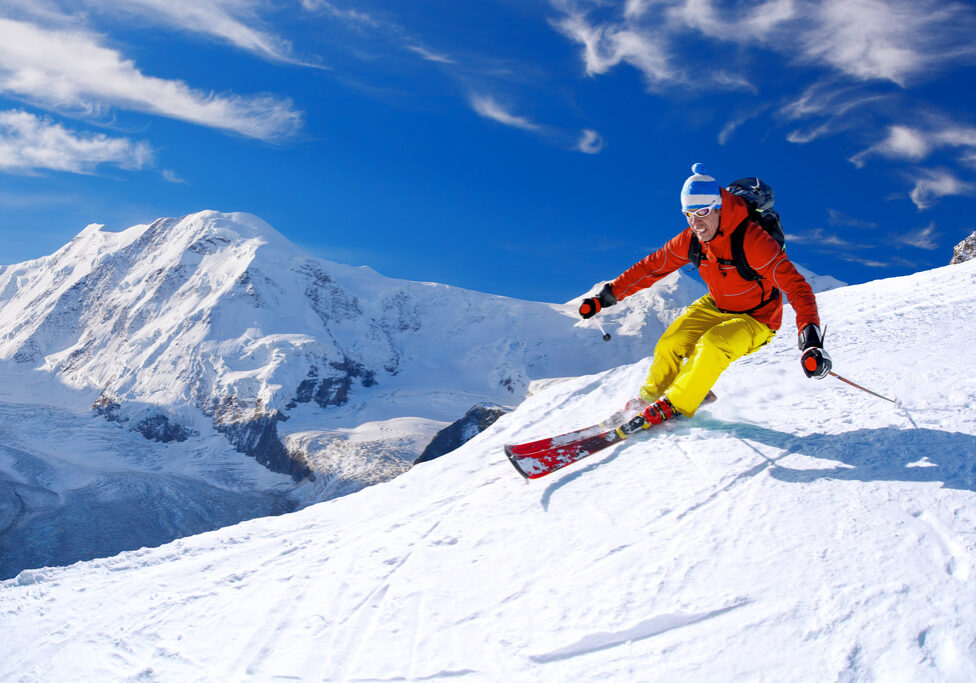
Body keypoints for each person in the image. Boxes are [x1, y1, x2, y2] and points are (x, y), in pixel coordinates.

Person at [579, 163, 832, 428]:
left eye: (702, 212)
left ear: (720, 207)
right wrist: (603, 298)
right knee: (671, 342)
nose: (696, 223)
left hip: (758, 317)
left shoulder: (753, 241)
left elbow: (797, 288)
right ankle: (650, 399)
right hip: (717, 304)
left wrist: (811, 342)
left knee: (713, 344)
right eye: (688, 214)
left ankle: (675, 404)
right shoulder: (691, 240)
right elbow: (650, 268)